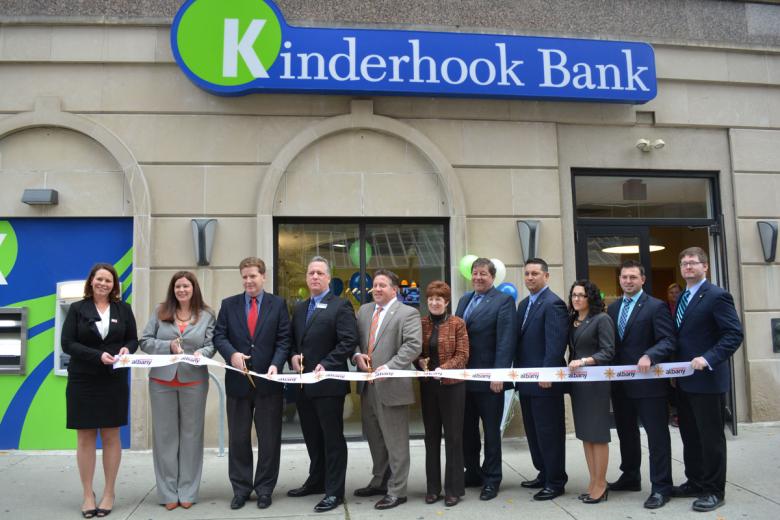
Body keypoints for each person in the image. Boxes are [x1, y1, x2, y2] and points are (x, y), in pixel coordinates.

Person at [213, 257, 291, 510]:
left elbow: (283, 340)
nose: (248, 281)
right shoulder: (229, 305)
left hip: (269, 383)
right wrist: (232, 354)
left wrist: (276, 364)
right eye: (244, 276)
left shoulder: (278, 304)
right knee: (238, 439)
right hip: (237, 383)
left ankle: (265, 488)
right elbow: (219, 335)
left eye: (253, 276)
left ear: (263, 277)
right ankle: (241, 488)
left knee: (269, 440)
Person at [61, 263, 138, 518]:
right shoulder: (76, 309)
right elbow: (67, 343)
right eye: (99, 279)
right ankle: (87, 494)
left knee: (111, 435)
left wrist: (127, 349)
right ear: (91, 281)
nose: (104, 284)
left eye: (109, 280)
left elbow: (132, 339)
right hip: (83, 379)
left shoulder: (123, 309)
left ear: (114, 285)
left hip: (113, 380)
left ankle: (108, 492)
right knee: (85, 437)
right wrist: (97, 356)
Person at [671, 247, 743, 512]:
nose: (688, 266)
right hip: (685, 381)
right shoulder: (682, 297)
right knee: (690, 435)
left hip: (708, 380)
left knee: (711, 438)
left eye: (693, 263)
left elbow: (733, 334)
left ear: (705, 267)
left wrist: (709, 358)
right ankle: (696, 481)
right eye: (684, 262)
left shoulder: (717, 296)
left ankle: (714, 490)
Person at [140, 271, 216, 511]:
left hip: (193, 381)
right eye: (178, 286)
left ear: (194, 288)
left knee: (192, 437)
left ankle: (188, 490)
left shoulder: (206, 315)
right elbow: (145, 340)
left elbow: (211, 344)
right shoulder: (160, 311)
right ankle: (167, 491)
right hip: (162, 381)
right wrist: (168, 346)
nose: (182, 290)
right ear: (173, 289)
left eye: (186, 286)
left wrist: (200, 354)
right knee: (165, 438)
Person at [287, 257, 358, 513]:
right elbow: (293, 341)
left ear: (328, 278)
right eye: (311, 273)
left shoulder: (340, 306)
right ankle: (316, 480)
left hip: (328, 384)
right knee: (312, 437)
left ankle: (334, 491)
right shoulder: (299, 308)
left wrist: (327, 364)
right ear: (306, 278)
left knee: (332, 439)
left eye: (320, 273)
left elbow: (348, 341)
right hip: (303, 385)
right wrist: (292, 356)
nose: (315, 277)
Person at [607, 260, 676, 509]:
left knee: (657, 437)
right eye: (624, 277)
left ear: (642, 280)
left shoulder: (656, 307)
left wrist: (651, 354)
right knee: (626, 433)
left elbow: (668, 340)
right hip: (621, 386)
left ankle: (661, 487)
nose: (628, 281)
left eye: (633, 277)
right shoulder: (612, 309)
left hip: (650, 386)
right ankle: (630, 476)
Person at [353, 269, 422, 510]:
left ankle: (397, 490)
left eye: (383, 285)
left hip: (392, 386)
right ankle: (380, 481)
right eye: (375, 285)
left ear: (395, 289)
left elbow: (413, 345)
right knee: (375, 439)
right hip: (367, 386)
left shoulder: (408, 313)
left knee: (396, 442)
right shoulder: (363, 311)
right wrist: (355, 355)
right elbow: (355, 341)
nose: (377, 289)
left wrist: (389, 367)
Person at [455, 257, 516, 501]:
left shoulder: (503, 301)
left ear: (493, 277)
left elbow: (506, 341)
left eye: (484, 274)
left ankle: (492, 478)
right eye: (475, 273)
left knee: (491, 432)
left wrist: (499, 374)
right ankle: (473, 472)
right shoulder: (464, 300)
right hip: (463, 379)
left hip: (491, 380)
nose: (478, 277)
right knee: (467, 431)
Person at [514, 258, 568, 501]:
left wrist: (547, 374)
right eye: (527, 273)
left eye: (535, 273)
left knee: (549, 432)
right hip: (526, 381)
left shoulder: (553, 304)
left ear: (546, 276)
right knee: (534, 432)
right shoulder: (524, 304)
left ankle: (555, 481)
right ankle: (543, 472)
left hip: (545, 382)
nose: (530, 278)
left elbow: (555, 345)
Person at [416, 280, 469, 507]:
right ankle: (432, 488)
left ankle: (453, 489)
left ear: (446, 302)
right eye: (431, 299)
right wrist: (420, 361)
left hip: (453, 386)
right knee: (431, 437)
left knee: (454, 438)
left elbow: (463, 355)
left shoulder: (457, 323)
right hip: (429, 388)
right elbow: (415, 352)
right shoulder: (422, 323)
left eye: (439, 299)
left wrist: (443, 369)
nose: (435, 303)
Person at [567, 279, 614, 504]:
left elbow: (608, 351)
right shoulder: (573, 320)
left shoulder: (601, 319)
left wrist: (585, 361)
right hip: (578, 385)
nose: (576, 299)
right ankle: (593, 480)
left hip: (595, 384)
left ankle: (602, 484)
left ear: (590, 298)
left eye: (581, 295)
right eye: (574, 295)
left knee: (598, 435)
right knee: (586, 435)